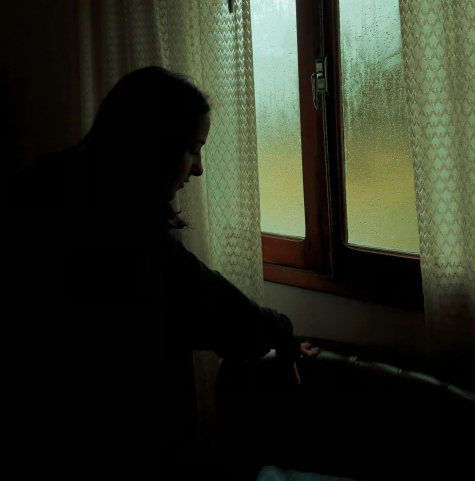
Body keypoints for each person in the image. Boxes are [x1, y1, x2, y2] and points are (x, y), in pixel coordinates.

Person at [18, 66, 319, 473]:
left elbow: (211, 297)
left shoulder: (48, 187)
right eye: (193, 148)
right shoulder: (130, 241)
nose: (198, 168)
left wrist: (278, 329)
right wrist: (280, 331)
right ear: (154, 145)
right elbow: (214, 307)